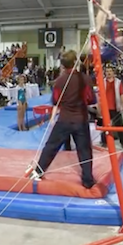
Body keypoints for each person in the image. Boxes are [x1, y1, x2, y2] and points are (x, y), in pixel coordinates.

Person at [30, 50, 97, 188]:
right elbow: (91, 99)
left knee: (51, 146)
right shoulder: (85, 79)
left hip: (65, 119)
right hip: (80, 119)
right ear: (75, 62)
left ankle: (38, 171)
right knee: (84, 150)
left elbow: (55, 100)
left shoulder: (60, 81)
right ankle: (87, 180)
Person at [100, 66, 123, 149]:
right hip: (106, 108)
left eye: (110, 71)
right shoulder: (102, 82)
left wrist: (122, 105)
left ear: (113, 72)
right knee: (105, 126)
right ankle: (104, 142)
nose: (108, 73)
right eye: (107, 71)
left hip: (116, 107)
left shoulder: (118, 82)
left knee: (120, 126)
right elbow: (99, 95)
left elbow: (121, 94)